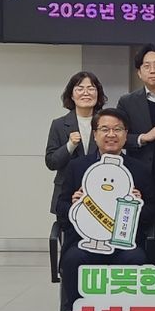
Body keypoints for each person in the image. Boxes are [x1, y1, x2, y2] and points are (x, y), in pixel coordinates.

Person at [57, 108, 155, 311]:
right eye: (104, 129)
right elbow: (61, 207)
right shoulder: (77, 167)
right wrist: (74, 203)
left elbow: (154, 211)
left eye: (117, 129)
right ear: (95, 134)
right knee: (74, 259)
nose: (111, 134)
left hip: (124, 243)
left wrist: (138, 205)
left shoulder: (139, 169)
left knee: (135, 259)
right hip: (84, 241)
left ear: (126, 134)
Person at [117, 44, 155, 221]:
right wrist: (143, 138)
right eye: (147, 66)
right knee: (140, 222)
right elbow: (118, 137)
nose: (153, 70)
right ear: (139, 72)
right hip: (140, 176)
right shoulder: (127, 102)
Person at [45, 71, 107, 219]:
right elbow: (51, 162)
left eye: (91, 88)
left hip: (101, 192)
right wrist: (70, 145)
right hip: (67, 194)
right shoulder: (59, 124)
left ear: (98, 93)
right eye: (80, 88)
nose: (86, 93)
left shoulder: (107, 123)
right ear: (71, 95)